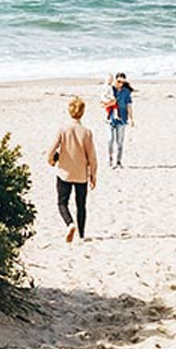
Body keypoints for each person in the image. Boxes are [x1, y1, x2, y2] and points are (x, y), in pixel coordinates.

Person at [48, 96, 98, 242]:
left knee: (62, 202)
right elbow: (92, 157)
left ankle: (69, 224)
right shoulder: (86, 132)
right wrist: (93, 175)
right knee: (81, 205)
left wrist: (51, 160)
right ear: (82, 112)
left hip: (64, 172)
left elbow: (51, 150)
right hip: (81, 174)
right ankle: (82, 235)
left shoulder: (63, 129)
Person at [106, 73, 135, 168]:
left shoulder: (126, 92)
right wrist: (111, 103)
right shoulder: (110, 89)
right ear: (115, 80)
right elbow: (102, 102)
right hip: (111, 119)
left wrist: (131, 119)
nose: (120, 84)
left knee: (120, 142)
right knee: (110, 140)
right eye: (119, 81)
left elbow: (129, 106)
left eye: (123, 82)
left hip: (122, 119)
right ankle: (110, 158)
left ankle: (118, 161)